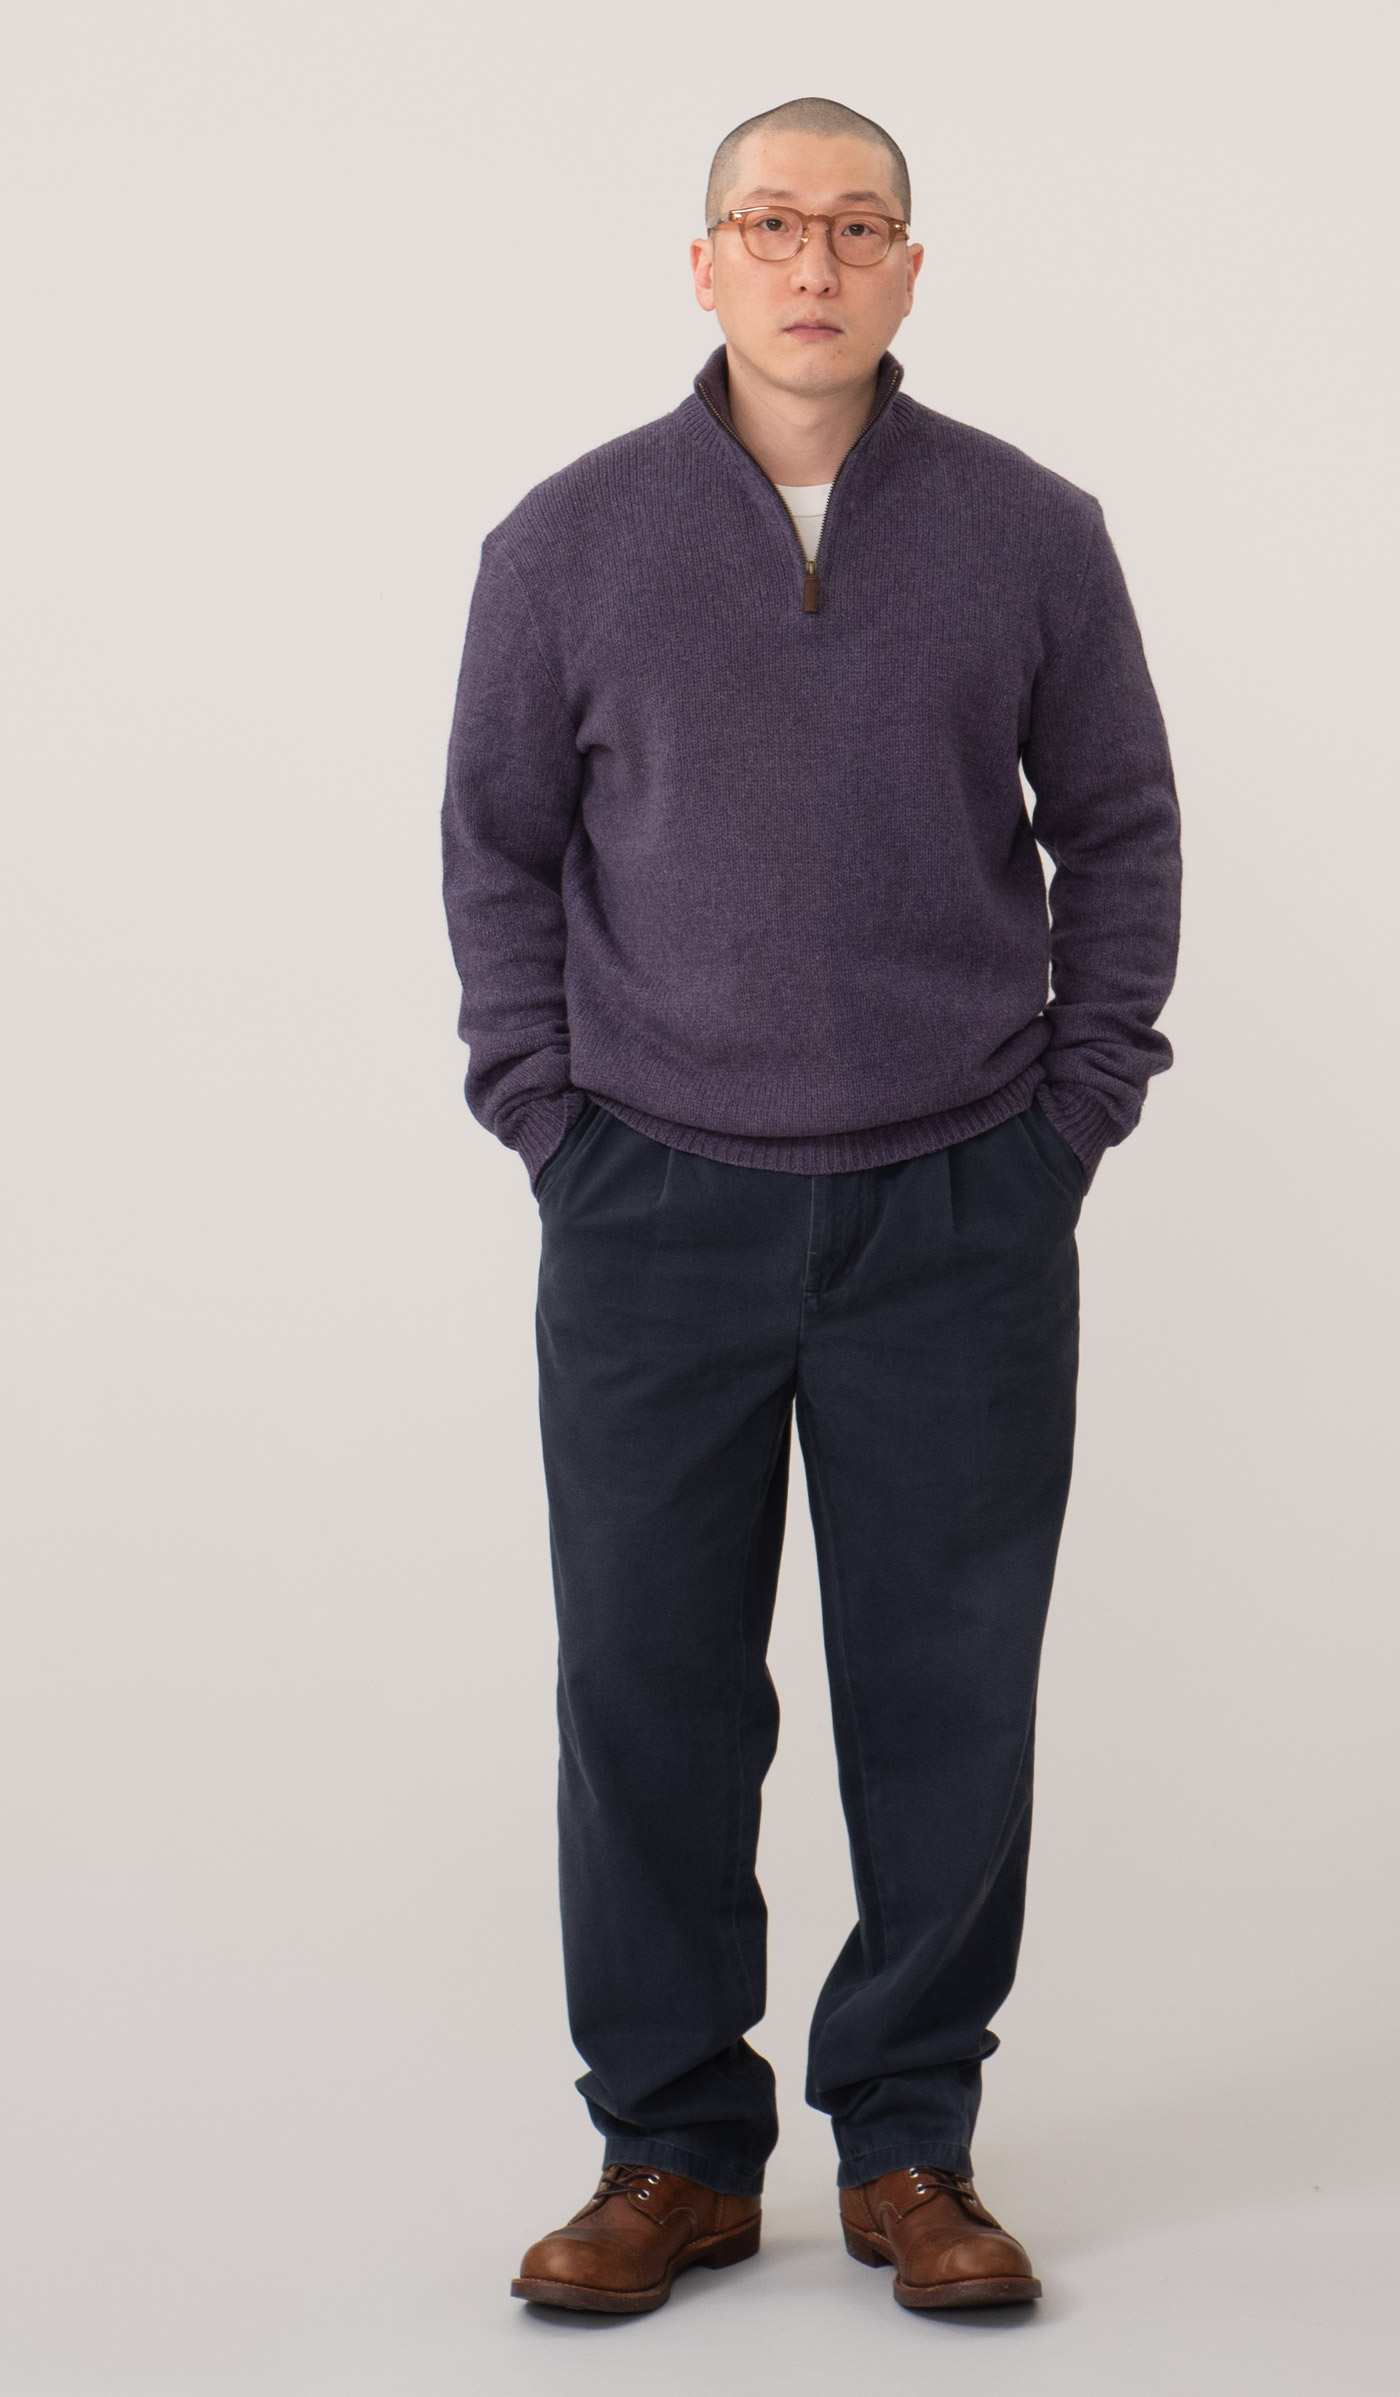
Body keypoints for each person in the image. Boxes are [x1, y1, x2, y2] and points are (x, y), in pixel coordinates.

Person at [442, 93, 1181, 2317]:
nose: (813, 263)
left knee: (946, 1687)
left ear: (908, 269)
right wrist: (546, 1110)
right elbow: (495, 849)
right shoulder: (564, 543)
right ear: (705, 264)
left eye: (857, 227)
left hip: (957, 1205)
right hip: (649, 1201)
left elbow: (1121, 827)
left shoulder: (1030, 532)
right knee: (644, 1687)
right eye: (771, 224)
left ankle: (912, 2139)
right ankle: (668, 2147)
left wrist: (1066, 1114)